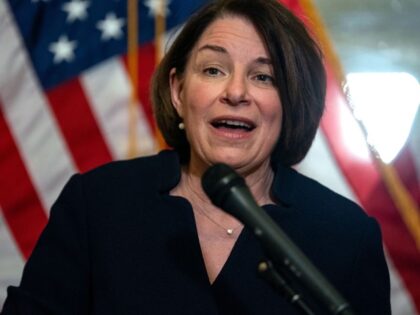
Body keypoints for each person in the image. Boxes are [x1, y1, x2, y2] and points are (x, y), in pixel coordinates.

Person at [1, 0, 391, 314]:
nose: (236, 92)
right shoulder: (98, 203)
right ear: (177, 91)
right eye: (213, 69)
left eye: (263, 77)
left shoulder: (346, 236)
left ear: (290, 102)